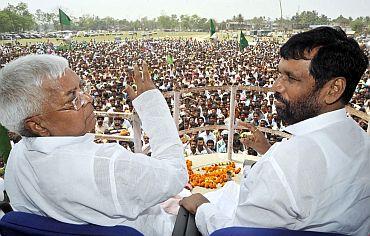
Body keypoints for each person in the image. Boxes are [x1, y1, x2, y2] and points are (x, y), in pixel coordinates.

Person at [180, 27, 370, 236]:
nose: (275, 86)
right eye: (280, 74)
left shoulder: (289, 162)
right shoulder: (362, 141)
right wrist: (268, 150)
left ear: (333, 89)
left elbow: (234, 231)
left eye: (291, 77)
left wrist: (201, 207)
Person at [0, 54, 188, 236]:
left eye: (81, 89)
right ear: (38, 125)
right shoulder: (103, 164)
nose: (88, 99)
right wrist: (152, 104)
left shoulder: (18, 156)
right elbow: (176, 174)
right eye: (72, 98)